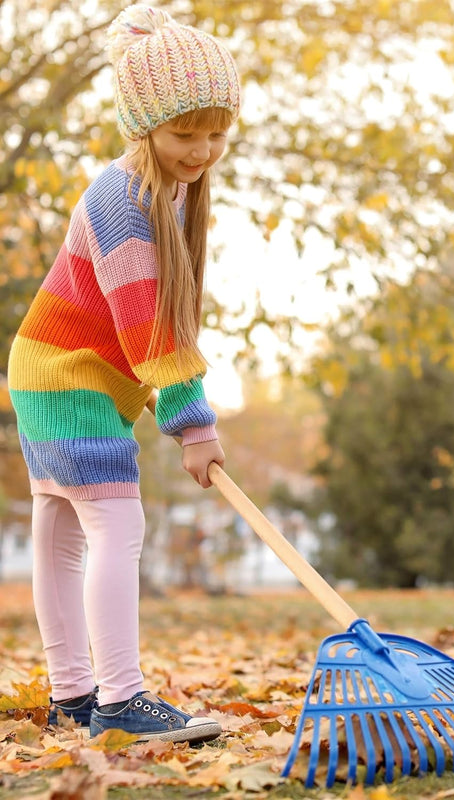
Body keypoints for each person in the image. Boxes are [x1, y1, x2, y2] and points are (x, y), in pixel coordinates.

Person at [7, 4, 240, 743]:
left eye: (215, 133)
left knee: (64, 528)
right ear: (143, 125)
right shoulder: (125, 201)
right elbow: (150, 325)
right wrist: (192, 422)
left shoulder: (167, 191)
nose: (202, 150)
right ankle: (119, 699)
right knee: (116, 522)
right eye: (184, 133)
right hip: (67, 377)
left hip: (54, 372)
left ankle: (75, 696)